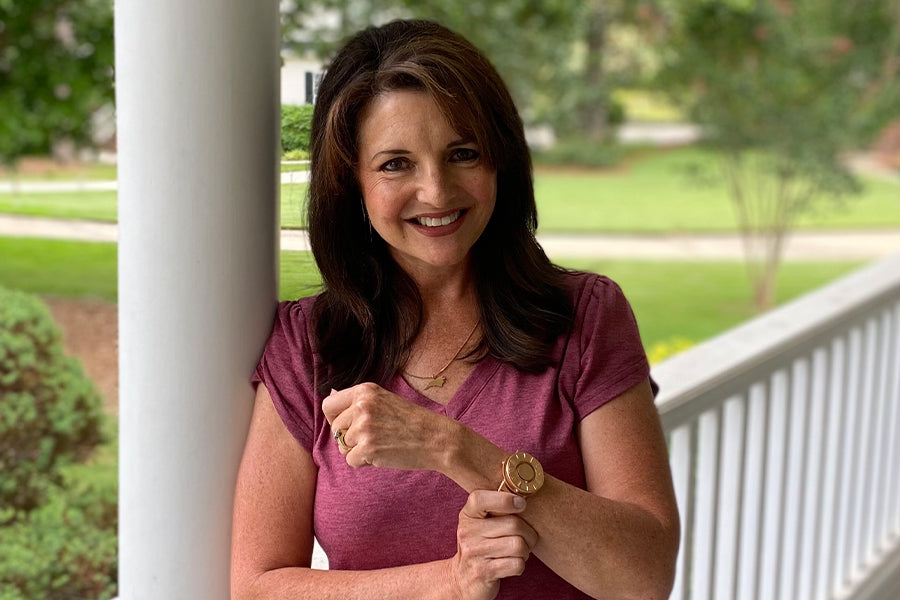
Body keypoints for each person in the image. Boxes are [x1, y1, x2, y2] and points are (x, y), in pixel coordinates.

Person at [231, 18, 679, 600]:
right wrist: (449, 581)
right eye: (395, 163)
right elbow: (257, 587)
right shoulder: (307, 344)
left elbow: (643, 578)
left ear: (500, 162)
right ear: (352, 182)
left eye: (462, 153)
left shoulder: (586, 316)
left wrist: (455, 449)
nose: (437, 192)